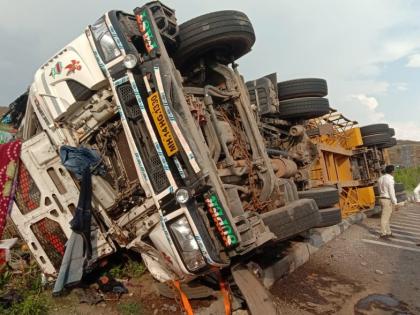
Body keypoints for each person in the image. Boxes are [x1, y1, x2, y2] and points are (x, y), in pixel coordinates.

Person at [377, 165, 397, 239]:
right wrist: (395, 202)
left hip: (381, 198)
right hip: (387, 199)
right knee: (385, 217)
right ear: (392, 171)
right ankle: (383, 234)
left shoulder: (380, 178)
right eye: (394, 170)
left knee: (387, 216)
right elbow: (392, 192)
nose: (394, 172)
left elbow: (379, 190)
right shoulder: (390, 179)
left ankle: (388, 232)